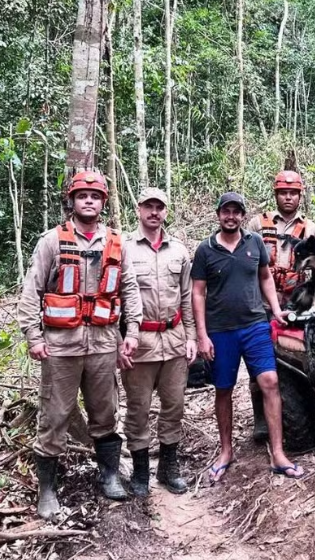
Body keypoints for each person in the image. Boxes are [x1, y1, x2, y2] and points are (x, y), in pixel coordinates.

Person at [18, 171, 143, 519]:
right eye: (82, 195)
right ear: (71, 201)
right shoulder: (52, 242)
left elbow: (129, 289)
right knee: (54, 415)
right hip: (61, 345)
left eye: (95, 196)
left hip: (104, 342)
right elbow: (32, 292)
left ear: (104, 202)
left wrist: (131, 332)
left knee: (105, 413)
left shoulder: (116, 243)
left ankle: (108, 475)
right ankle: (47, 490)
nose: (89, 200)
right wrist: (34, 336)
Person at [191, 192, 305, 482]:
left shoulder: (254, 242)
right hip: (220, 330)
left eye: (236, 212)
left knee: (270, 381)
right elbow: (198, 292)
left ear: (243, 215)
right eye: (225, 211)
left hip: (255, 325)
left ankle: (278, 453)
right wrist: (202, 334)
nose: (231, 216)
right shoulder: (205, 250)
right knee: (223, 388)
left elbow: (265, 277)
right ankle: (226, 451)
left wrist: (276, 311)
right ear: (218, 215)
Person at [245, 170, 315, 441]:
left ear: (300, 196)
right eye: (283, 192)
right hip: (261, 305)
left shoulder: (310, 229)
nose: (288, 197)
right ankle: (261, 419)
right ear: (276, 195)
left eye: (293, 193)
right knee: (259, 364)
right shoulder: (258, 225)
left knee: (295, 361)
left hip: (295, 306)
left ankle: (297, 412)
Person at [118, 188, 197, 497]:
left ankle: (168, 466)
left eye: (159, 207)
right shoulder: (125, 249)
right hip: (140, 342)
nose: (154, 212)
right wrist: (120, 340)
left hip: (175, 339)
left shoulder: (178, 250)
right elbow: (116, 299)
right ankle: (140, 470)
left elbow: (188, 298)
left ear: (166, 211)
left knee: (174, 405)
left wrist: (191, 336)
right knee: (137, 408)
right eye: (148, 206)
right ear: (138, 209)